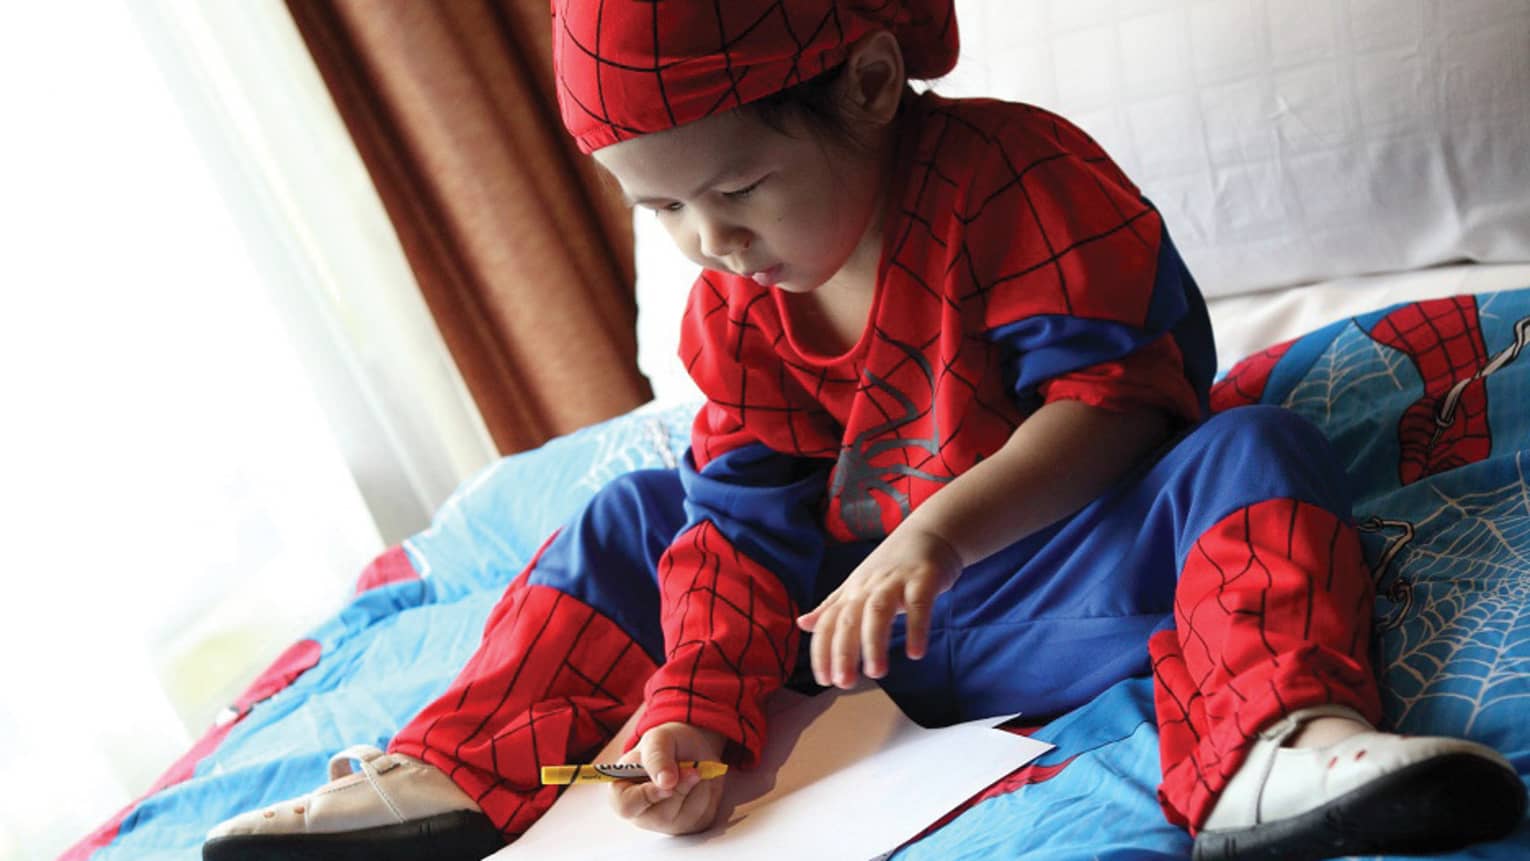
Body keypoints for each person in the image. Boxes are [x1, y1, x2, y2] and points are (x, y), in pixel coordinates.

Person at [203, 2, 1527, 860]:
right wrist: (700, 714)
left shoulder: (1018, 179)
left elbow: (1117, 410)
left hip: (1051, 589)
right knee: (631, 516)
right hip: (837, 642)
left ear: (873, 83)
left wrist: (937, 536)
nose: (707, 243)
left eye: (732, 190)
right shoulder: (734, 303)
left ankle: (1269, 740)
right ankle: (456, 768)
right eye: (661, 213)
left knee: (1248, 449)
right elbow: (737, 528)